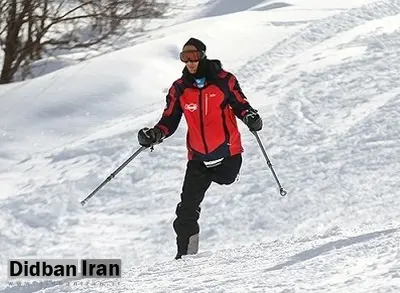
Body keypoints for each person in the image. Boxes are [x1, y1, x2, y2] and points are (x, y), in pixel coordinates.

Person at [137, 37, 263, 259]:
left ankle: (187, 255)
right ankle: (186, 257)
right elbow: (169, 120)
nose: (190, 62)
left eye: (194, 56)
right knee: (186, 209)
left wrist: (251, 117)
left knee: (226, 179)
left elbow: (241, 105)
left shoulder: (225, 81)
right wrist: (155, 135)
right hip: (198, 157)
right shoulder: (179, 88)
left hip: (227, 154)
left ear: (203, 55)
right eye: (185, 58)